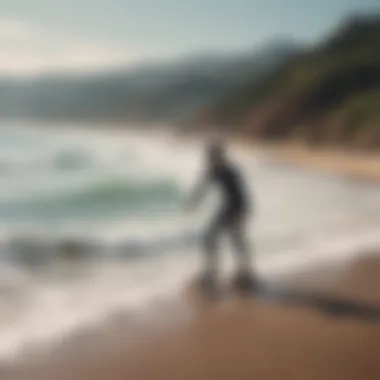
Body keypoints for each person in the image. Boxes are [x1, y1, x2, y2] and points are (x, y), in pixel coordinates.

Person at [185, 141, 255, 290]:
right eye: (209, 156)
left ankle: (244, 271)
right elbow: (202, 187)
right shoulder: (212, 170)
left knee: (235, 240)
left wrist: (241, 214)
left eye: (212, 156)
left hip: (236, 207)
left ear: (219, 156)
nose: (209, 159)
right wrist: (192, 202)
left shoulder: (230, 171)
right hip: (226, 207)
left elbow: (242, 194)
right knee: (210, 237)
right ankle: (212, 271)